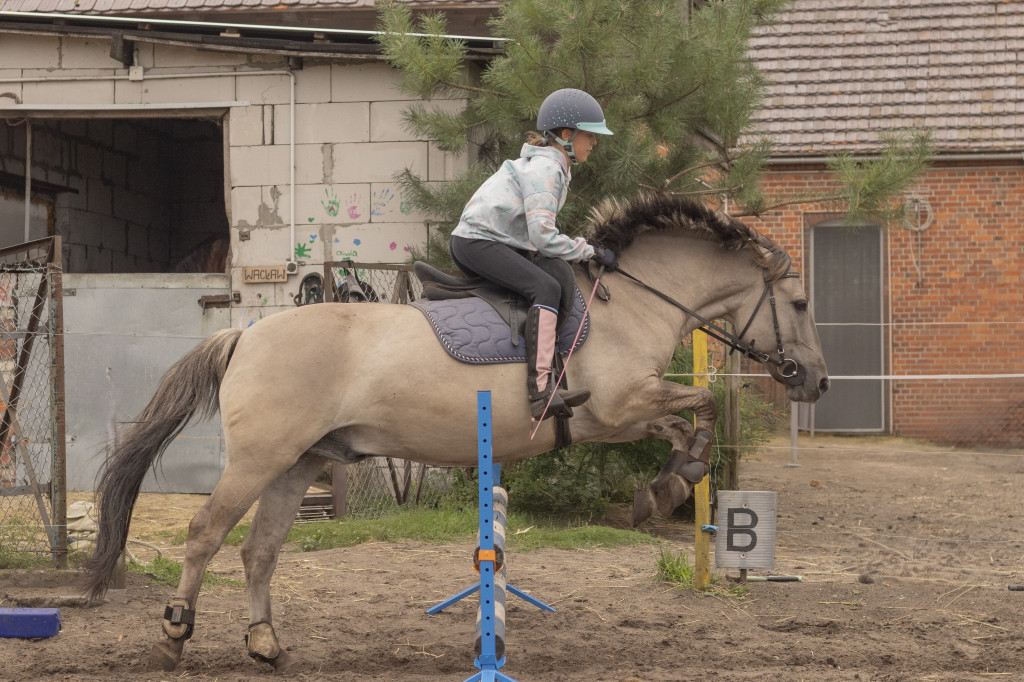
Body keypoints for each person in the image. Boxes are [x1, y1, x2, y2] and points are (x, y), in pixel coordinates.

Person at [449, 88, 619, 422]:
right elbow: (543, 236)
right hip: (477, 243)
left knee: (556, 273)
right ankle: (541, 391)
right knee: (546, 288)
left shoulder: (549, 165)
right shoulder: (546, 170)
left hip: (487, 241)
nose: (594, 143)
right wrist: (589, 250)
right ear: (567, 136)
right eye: (589, 136)